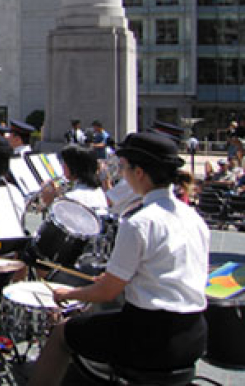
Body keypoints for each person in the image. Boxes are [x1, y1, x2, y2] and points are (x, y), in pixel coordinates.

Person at [28, 132, 209, 385]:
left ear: (139, 173)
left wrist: (66, 294)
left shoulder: (139, 222)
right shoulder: (194, 218)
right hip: (194, 333)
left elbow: (107, 292)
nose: (121, 175)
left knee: (62, 333)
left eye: (124, 168)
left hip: (148, 336)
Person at [41, 144, 108, 214]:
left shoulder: (72, 198)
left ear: (73, 167)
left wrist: (50, 201)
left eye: (65, 163)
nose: (63, 166)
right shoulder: (99, 192)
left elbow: (56, 221)